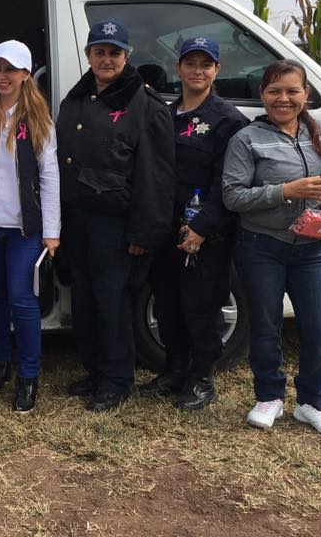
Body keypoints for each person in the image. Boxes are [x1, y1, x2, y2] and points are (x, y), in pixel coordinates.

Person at [223, 60, 321, 436]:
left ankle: (312, 402)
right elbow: (233, 196)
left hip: (312, 251)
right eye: (274, 91)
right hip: (261, 247)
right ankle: (268, 397)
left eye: (292, 91)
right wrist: (286, 191)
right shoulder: (247, 139)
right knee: (265, 327)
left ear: (306, 94)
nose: (283, 99)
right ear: (262, 96)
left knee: (320, 329)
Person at [56, 20, 175, 411]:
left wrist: (145, 233)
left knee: (112, 302)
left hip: (116, 223)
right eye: (99, 52)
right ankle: (94, 372)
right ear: (88, 55)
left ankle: (116, 380)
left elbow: (155, 177)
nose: (106, 59)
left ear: (127, 57)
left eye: (114, 53)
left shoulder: (145, 105)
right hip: (78, 220)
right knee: (85, 301)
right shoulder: (77, 97)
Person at [142, 38, 248, 409]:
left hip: (207, 234)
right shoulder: (167, 115)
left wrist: (202, 227)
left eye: (206, 63)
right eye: (190, 63)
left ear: (216, 70)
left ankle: (201, 378)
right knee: (168, 303)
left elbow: (229, 183)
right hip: (167, 229)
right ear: (179, 69)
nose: (197, 70)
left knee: (201, 307)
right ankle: (174, 370)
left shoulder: (228, 120)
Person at [0, 39, 60, 413]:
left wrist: (52, 231)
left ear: (25, 74)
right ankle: (0, 360)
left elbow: (50, 175)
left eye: (11, 70)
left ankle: (28, 375)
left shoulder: (38, 118)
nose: (3, 76)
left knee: (22, 299)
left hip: (25, 228)